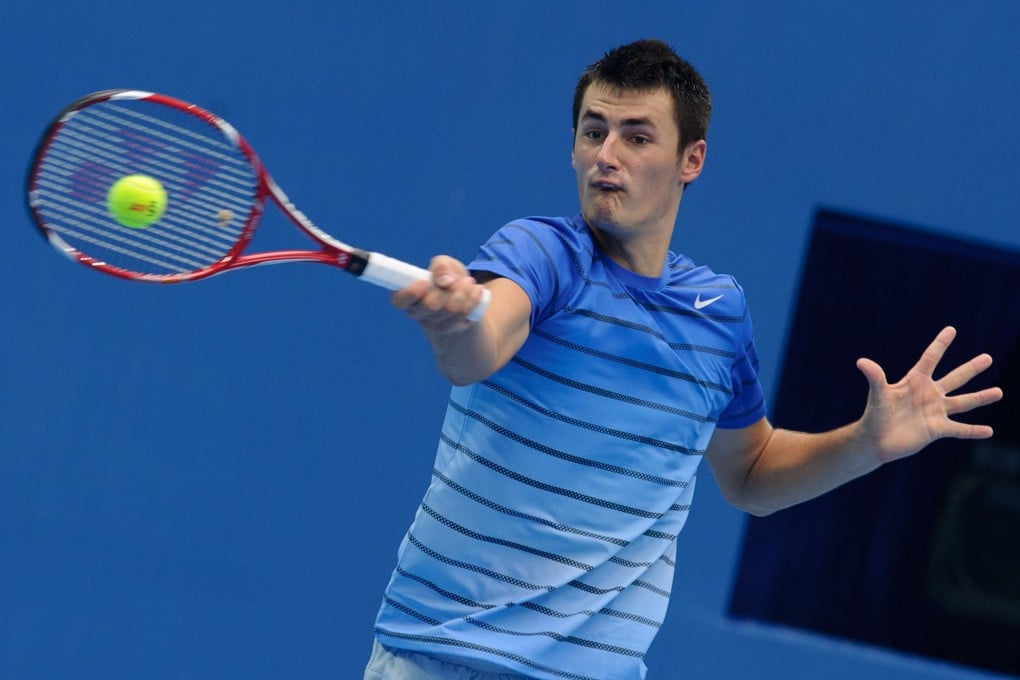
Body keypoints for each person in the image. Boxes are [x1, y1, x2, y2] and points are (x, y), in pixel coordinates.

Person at [363, 39, 1003, 680]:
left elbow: (750, 474)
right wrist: (453, 323)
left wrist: (867, 443)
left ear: (690, 159)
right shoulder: (543, 253)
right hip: (442, 661)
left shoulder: (717, 314)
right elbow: (482, 343)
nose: (606, 157)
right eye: (594, 132)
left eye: (637, 137)